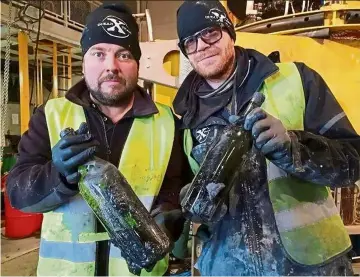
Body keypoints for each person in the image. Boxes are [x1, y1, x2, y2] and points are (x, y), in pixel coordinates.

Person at [174, 0, 360, 275]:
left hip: (313, 265)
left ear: (229, 32)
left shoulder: (295, 79)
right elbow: (185, 196)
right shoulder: (185, 117)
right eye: (190, 41)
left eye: (210, 33)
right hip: (229, 269)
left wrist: (295, 147)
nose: (201, 45)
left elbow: (353, 162)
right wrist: (191, 204)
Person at [6, 2, 190, 276]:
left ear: (137, 63)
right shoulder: (51, 116)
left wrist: (164, 224)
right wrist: (60, 175)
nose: (111, 66)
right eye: (99, 53)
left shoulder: (167, 123)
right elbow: (18, 195)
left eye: (124, 54)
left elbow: (176, 193)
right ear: (85, 59)